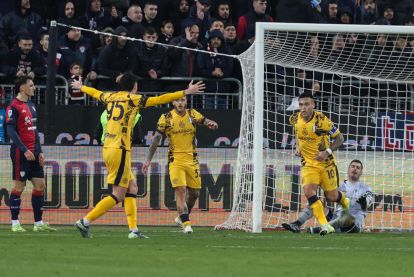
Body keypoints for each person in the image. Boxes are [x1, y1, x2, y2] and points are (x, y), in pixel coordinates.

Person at [72, 73, 206, 238]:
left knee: (132, 187)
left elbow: (94, 92)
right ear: (133, 86)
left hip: (109, 147)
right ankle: (85, 221)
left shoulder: (110, 96)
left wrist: (81, 87)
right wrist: (185, 91)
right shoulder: (133, 99)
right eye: (136, 85)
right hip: (119, 149)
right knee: (118, 194)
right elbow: (160, 99)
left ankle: (133, 231)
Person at [142, 96, 218, 234]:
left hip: (192, 160)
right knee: (181, 190)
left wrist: (210, 123)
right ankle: (187, 225)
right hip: (175, 160)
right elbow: (157, 139)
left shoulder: (192, 114)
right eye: (177, 100)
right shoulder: (165, 118)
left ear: (186, 102)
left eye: (183, 100)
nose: (180, 103)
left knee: (195, 193)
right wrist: (148, 159)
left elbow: (205, 121)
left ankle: (181, 218)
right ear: (173, 102)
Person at [289, 91, 349, 236]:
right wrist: (298, 146)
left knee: (332, 197)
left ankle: (346, 203)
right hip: (309, 165)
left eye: (307, 104)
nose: (303, 108)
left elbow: (340, 138)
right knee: (309, 191)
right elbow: (297, 133)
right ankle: (325, 225)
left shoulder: (322, 120)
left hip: (326, 164)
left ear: (313, 105)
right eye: (301, 105)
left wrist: (326, 152)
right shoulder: (295, 118)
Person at [5, 76, 56, 232]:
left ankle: (38, 223)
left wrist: (39, 151)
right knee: (19, 187)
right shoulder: (13, 107)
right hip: (21, 153)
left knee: (40, 185)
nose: (34, 88)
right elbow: (11, 131)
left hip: (34, 152)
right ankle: (15, 223)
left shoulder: (32, 105)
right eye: (31, 85)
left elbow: (34, 131)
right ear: (22, 88)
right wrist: (24, 149)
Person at [283, 160, 373, 234]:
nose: (355, 169)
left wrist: (364, 202)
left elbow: (368, 202)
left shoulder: (366, 188)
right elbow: (329, 197)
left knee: (346, 217)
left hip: (352, 225)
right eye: (352, 166)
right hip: (334, 220)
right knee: (314, 203)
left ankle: (317, 229)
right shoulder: (340, 186)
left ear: (361, 172)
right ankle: (296, 224)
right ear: (348, 169)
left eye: (358, 168)